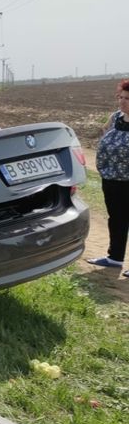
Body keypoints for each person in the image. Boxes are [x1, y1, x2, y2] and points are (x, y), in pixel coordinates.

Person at [88, 79, 129, 276]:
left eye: (127, 99)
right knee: (117, 219)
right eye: (121, 97)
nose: (122, 102)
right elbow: (105, 135)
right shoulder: (115, 118)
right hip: (111, 179)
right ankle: (115, 258)